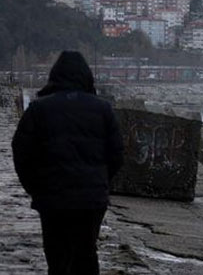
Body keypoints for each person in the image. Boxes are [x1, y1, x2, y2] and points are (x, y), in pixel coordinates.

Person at [12, 51, 124, 275]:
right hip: (91, 199)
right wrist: (101, 181)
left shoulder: (38, 109)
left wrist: (35, 187)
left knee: (57, 256)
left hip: (53, 198)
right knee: (86, 253)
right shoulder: (103, 110)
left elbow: (21, 152)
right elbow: (117, 154)